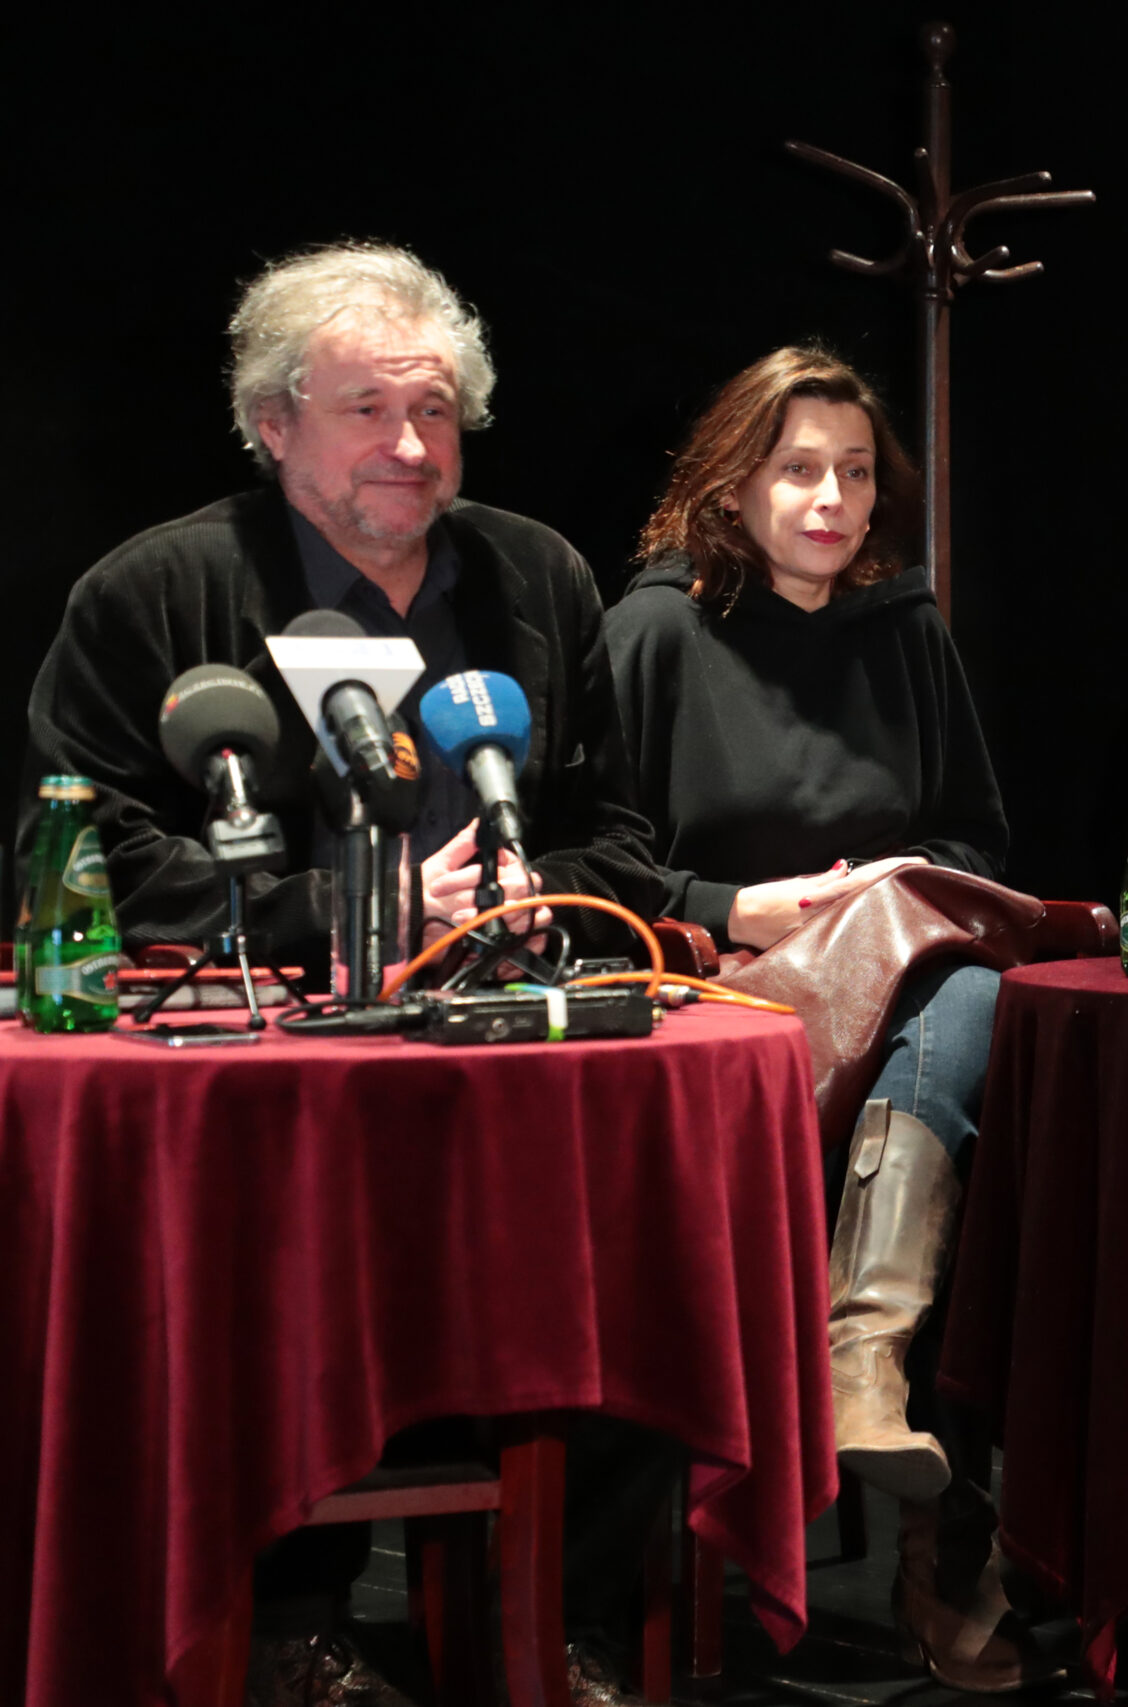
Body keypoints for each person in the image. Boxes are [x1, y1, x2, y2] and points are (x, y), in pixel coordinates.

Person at [17, 244, 668, 1704]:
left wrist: (543, 892)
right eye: (367, 409)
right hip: (273, 1082)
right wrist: (340, 911)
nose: (411, 447)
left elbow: (617, 827)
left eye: (434, 412)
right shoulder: (157, 590)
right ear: (273, 423)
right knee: (258, 1307)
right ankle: (285, 1631)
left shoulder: (539, 577)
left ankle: (556, 1623)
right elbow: (86, 844)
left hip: (501, 1047)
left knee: (638, 1248)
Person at [604, 345, 1036, 1694]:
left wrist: (891, 884)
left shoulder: (904, 629)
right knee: (965, 1048)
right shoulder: (657, 630)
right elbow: (596, 860)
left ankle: (877, 1373)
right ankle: (858, 1392)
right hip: (724, 1002)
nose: (831, 500)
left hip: (899, 1008)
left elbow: (974, 834)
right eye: (798, 470)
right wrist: (744, 904)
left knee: (980, 1019)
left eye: (853, 472)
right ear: (732, 485)